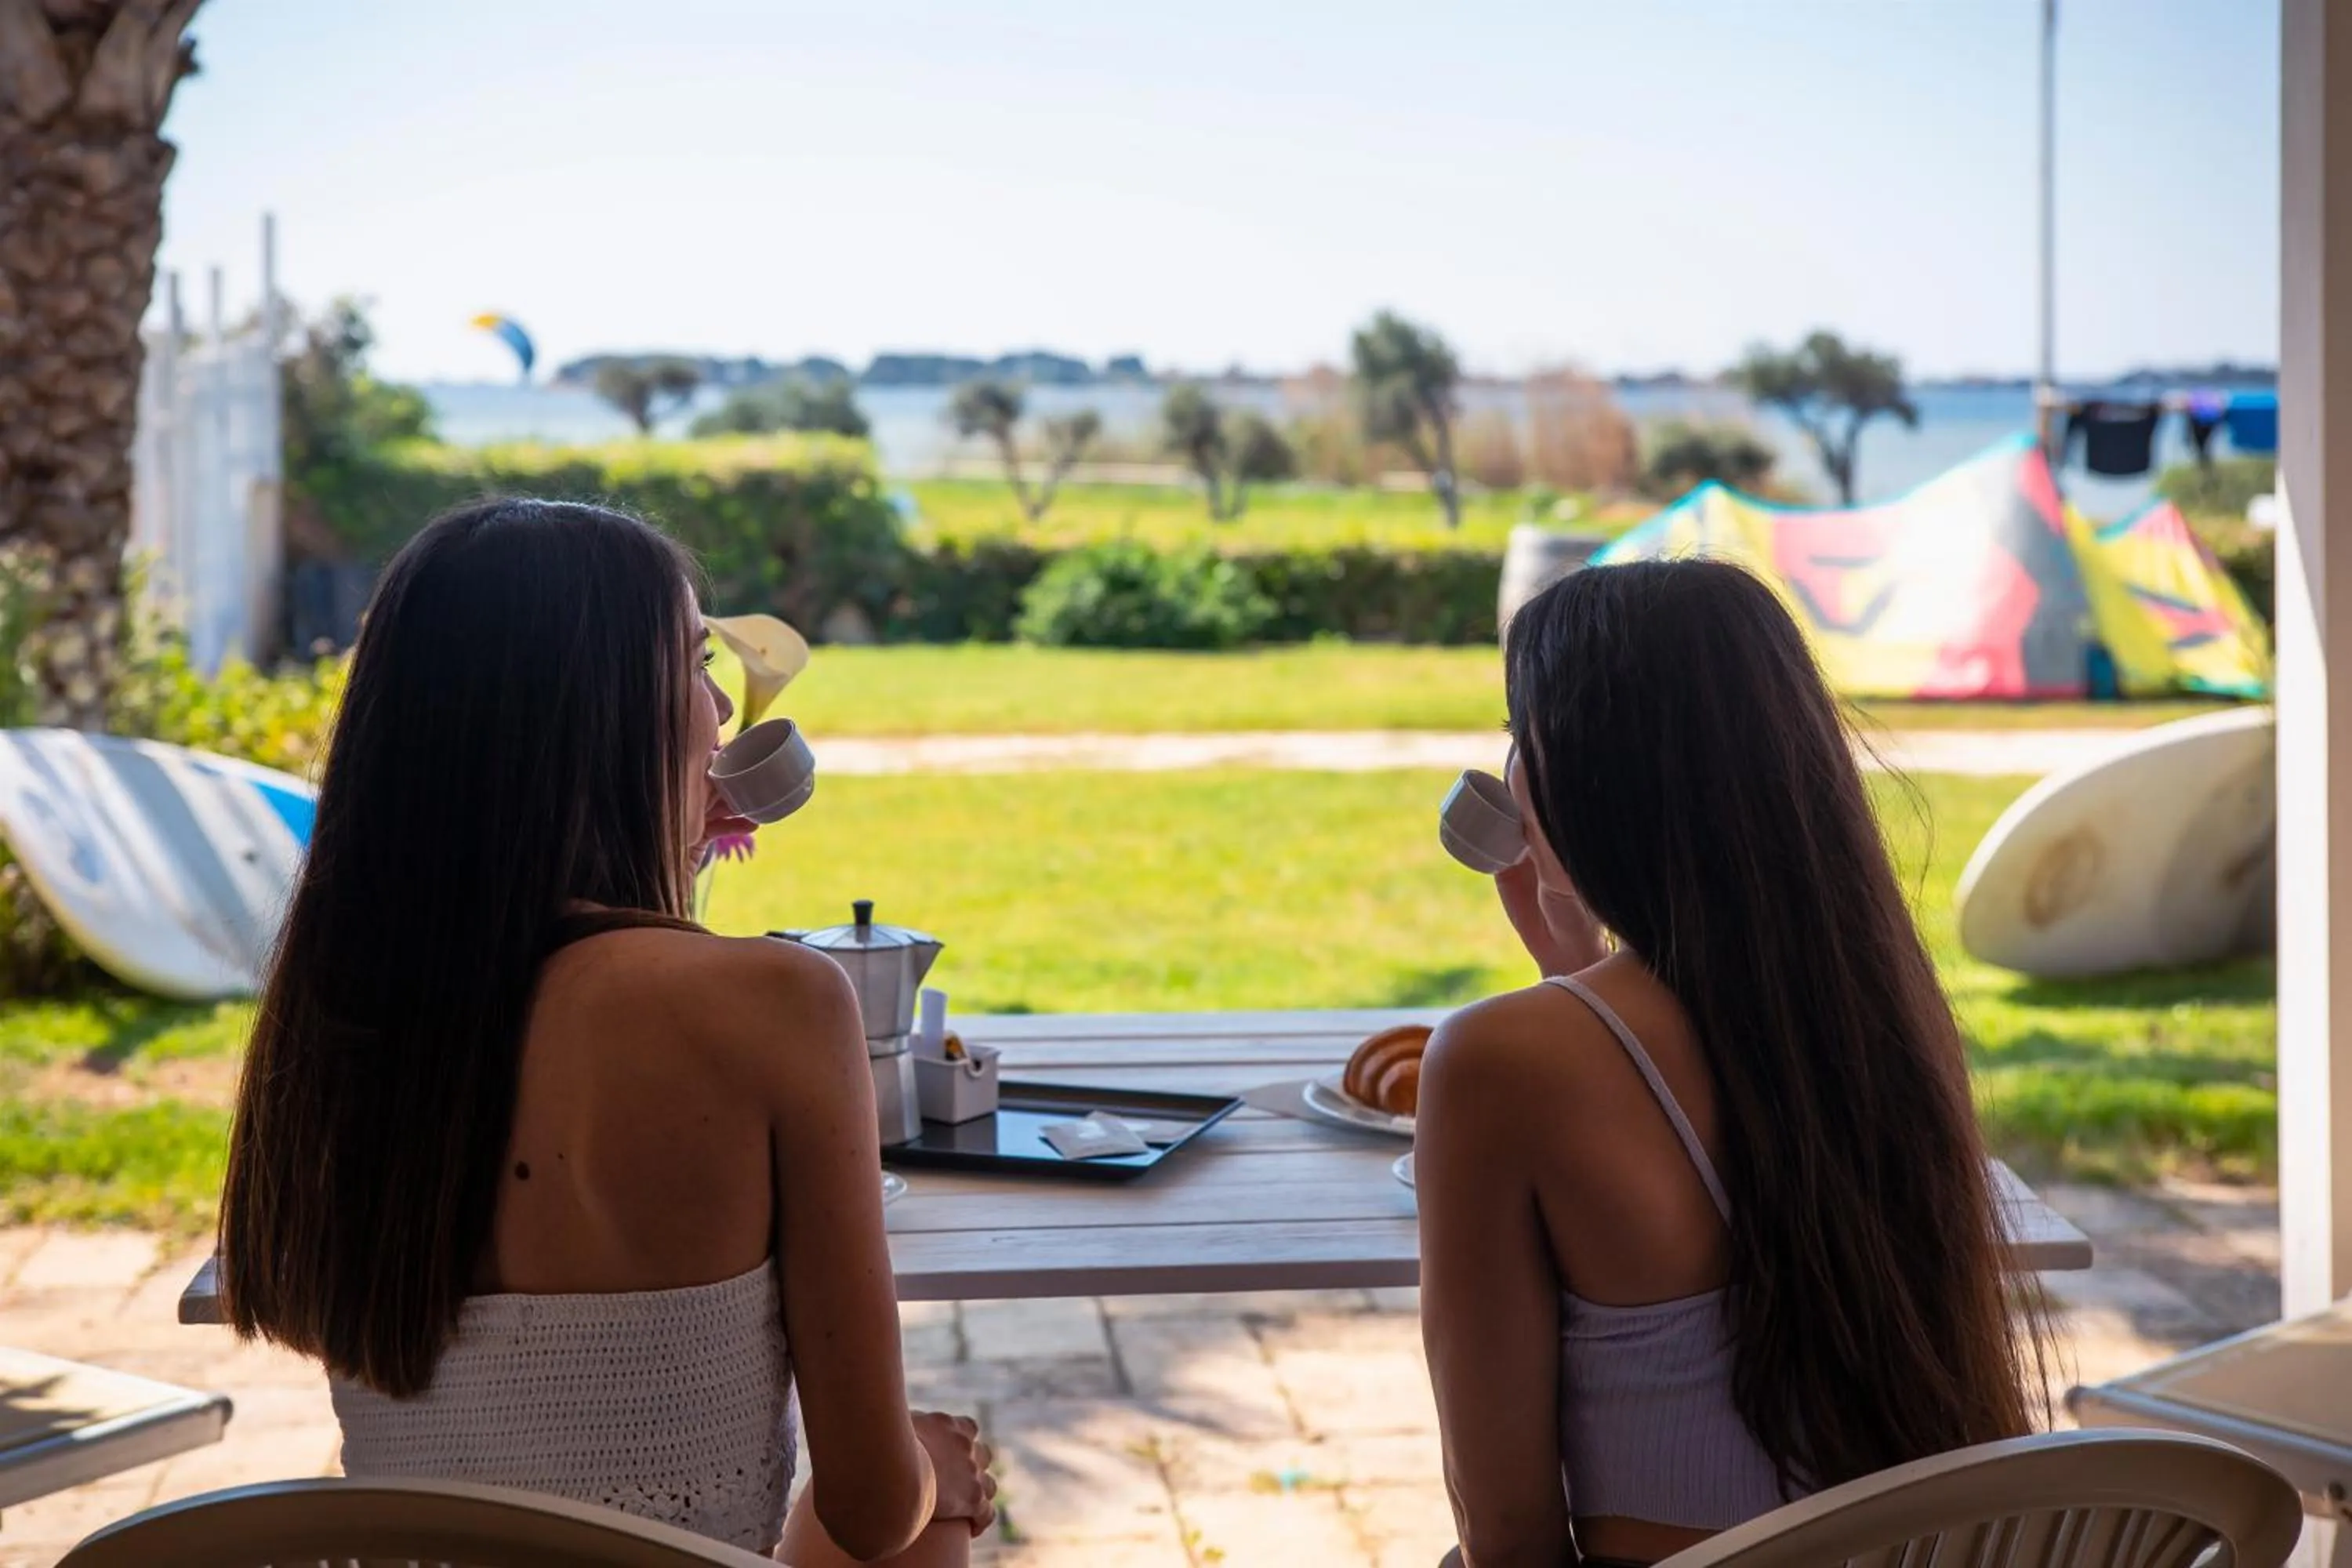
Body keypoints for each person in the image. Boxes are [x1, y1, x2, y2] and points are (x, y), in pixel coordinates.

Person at [218, 499, 993, 1566]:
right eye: (689, 664)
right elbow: (865, 1508)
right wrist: (930, 1470)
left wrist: (670, 860)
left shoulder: (345, 1012)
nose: (721, 709)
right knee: (924, 1505)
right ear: (601, 714)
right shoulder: (776, 1006)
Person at [1417, 560, 2048, 1568]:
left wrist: (1568, 998)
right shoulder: (1876, 1011)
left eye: (1515, 736)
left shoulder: (1498, 1062)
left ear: (1584, 769)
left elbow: (1506, 1532)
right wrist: (1577, 969)